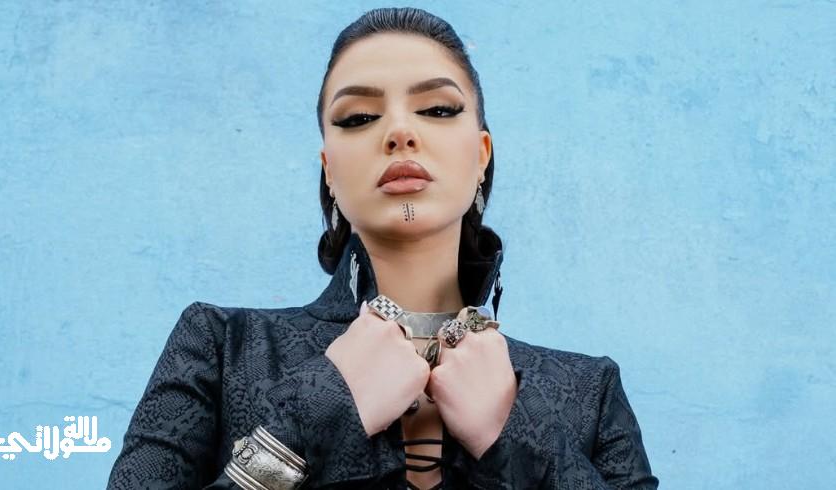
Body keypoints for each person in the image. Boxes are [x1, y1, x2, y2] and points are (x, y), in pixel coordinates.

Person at [107, 7, 658, 490]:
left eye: (437, 110)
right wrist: (320, 408)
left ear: (481, 154)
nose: (399, 131)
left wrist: (514, 435)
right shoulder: (222, 347)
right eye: (358, 118)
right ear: (329, 169)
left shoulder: (589, 391)